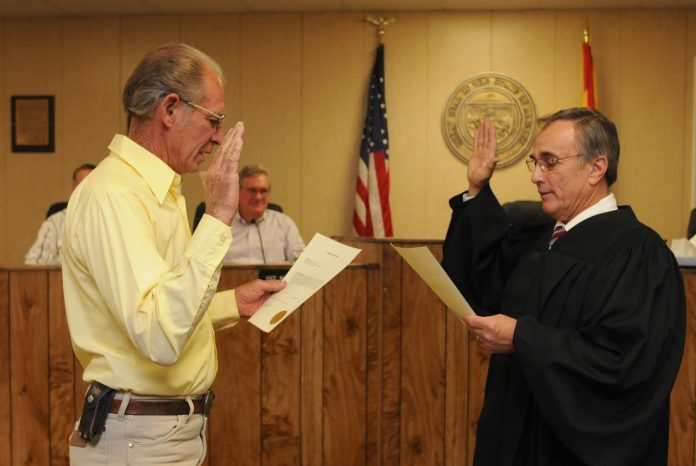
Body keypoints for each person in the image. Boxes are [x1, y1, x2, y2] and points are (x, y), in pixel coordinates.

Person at [62, 42, 286, 465]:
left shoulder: (159, 191)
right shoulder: (114, 195)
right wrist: (219, 216)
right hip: (138, 439)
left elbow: (161, 307)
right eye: (214, 119)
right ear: (169, 110)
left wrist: (230, 304)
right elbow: (160, 336)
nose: (218, 138)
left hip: (163, 434)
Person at [441, 108, 685, 466]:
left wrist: (522, 338)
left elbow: (624, 365)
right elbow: (484, 283)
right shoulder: (543, 240)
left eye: (550, 162)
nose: (536, 177)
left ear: (596, 168)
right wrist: (477, 188)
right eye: (535, 162)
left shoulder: (637, 253)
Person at [222, 164, 305, 264]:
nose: (258, 197)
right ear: (238, 191)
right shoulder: (222, 224)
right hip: (232, 279)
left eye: (263, 191)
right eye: (252, 191)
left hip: (272, 279)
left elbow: (300, 260)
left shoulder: (284, 224)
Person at [24, 163, 95, 265]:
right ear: (73, 187)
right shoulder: (55, 221)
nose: (84, 189)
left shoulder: (109, 221)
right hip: (61, 280)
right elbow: (33, 262)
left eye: (90, 184)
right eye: (80, 184)